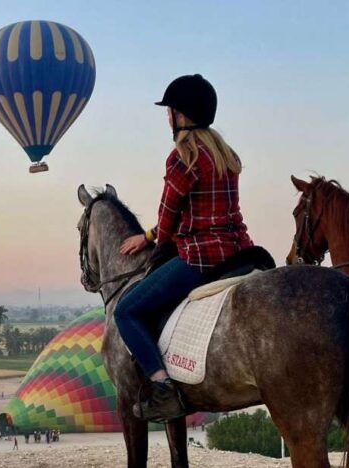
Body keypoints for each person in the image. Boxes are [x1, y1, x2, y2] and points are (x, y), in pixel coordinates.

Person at [114, 74, 255, 421]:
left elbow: (167, 222)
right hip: (238, 251)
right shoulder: (226, 154)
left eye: (170, 111)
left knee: (126, 312)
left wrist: (149, 238)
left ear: (181, 115)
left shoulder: (183, 156)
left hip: (200, 258)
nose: (168, 118)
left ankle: (163, 387)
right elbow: (228, 213)